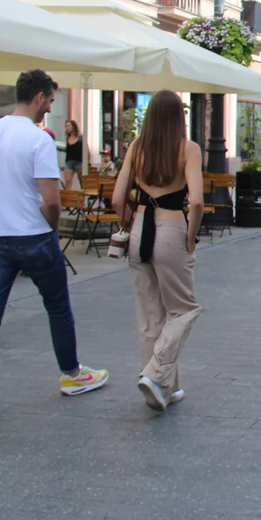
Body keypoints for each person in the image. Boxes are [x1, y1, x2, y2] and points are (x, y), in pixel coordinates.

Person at [0, 69, 109, 432]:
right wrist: (51, 229)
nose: (51, 107)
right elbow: (51, 199)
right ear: (39, 97)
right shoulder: (38, 140)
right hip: (34, 236)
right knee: (57, 307)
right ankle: (71, 374)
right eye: (52, 100)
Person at [112, 91, 203, 412]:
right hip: (170, 230)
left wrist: (128, 222)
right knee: (184, 309)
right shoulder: (188, 149)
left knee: (150, 316)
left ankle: (166, 386)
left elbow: (116, 197)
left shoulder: (137, 148)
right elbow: (196, 201)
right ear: (180, 117)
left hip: (139, 230)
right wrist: (191, 237)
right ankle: (154, 374)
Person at [62, 119, 83, 189]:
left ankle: (83, 198)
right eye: (66, 126)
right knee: (67, 182)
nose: (67, 128)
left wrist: (88, 162)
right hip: (69, 162)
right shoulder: (67, 138)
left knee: (82, 181)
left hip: (79, 162)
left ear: (73, 127)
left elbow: (86, 150)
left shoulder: (80, 138)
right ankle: (67, 198)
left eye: (68, 126)